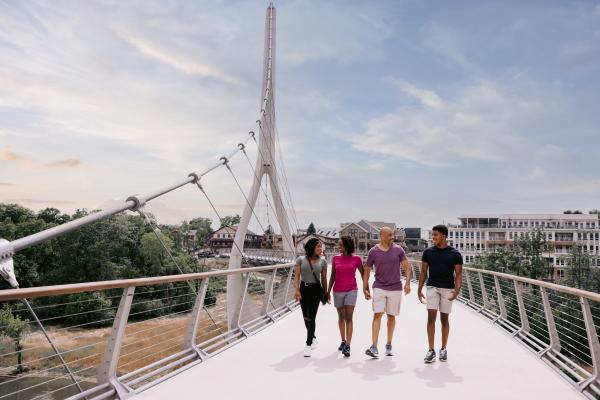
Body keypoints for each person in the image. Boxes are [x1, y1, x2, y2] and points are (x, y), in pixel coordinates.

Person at [363, 227, 411, 358]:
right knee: (377, 315)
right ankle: (374, 346)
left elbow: (407, 266)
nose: (392, 237)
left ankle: (389, 344)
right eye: (389, 235)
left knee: (391, 316)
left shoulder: (398, 250)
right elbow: (367, 269)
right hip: (379, 286)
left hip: (395, 287)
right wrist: (365, 287)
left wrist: (407, 283)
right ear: (382, 236)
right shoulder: (373, 251)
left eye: (392, 235)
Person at [418, 224, 463, 363]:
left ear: (443, 236)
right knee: (431, 318)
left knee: (444, 320)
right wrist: (419, 289)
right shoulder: (428, 252)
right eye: (432, 235)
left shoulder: (455, 254)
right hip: (432, 287)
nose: (433, 238)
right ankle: (431, 350)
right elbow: (424, 272)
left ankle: (443, 349)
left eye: (435, 235)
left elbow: (458, 274)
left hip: (447, 289)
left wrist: (457, 291)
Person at [327, 236, 365, 357]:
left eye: (341, 245)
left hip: (351, 290)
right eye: (339, 245)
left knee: (349, 317)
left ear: (347, 246)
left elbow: (364, 275)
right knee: (341, 317)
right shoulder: (335, 259)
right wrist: (327, 292)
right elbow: (333, 276)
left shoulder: (357, 259)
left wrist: (366, 289)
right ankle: (343, 340)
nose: (339, 247)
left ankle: (348, 345)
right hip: (337, 290)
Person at [294, 238, 328, 357]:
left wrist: (326, 293)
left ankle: (308, 345)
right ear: (311, 247)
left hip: (316, 291)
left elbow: (324, 279)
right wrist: (297, 290)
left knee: (311, 317)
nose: (320, 249)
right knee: (305, 317)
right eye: (318, 247)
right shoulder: (300, 260)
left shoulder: (323, 261)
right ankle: (313, 337)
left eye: (321, 247)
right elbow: (297, 276)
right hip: (304, 289)